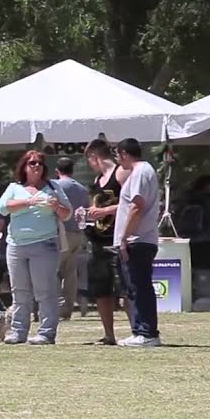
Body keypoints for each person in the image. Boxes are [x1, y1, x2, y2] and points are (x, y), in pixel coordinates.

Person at [0, 151, 72, 344]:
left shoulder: (52, 187)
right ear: (24, 167)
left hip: (44, 244)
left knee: (45, 291)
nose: (36, 166)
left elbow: (67, 214)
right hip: (16, 246)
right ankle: (18, 331)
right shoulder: (14, 187)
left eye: (39, 163)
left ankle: (46, 333)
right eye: (31, 163)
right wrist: (28, 202)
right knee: (20, 291)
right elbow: (3, 207)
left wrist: (56, 206)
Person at [113, 138, 162, 347]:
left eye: (117, 155)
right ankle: (140, 330)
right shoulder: (141, 171)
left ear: (124, 153)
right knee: (134, 287)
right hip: (137, 239)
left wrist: (124, 238)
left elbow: (137, 205)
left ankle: (147, 332)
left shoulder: (141, 171)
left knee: (140, 286)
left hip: (138, 240)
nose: (117, 159)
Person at [82, 139, 130, 345]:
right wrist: (87, 215)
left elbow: (133, 204)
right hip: (98, 240)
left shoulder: (121, 173)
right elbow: (95, 209)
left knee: (126, 289)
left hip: (118, 239)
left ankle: (138, 330)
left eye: (89, 160)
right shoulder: (97, 180)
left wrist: (105, 211)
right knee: (101, 290)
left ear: (94, 157)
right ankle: (109, 334)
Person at [51, 157, 90, 319]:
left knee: (53, 270)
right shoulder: (82, 188)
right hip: (77, 233)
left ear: (57, 171)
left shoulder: (54, 185)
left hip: (61, 233)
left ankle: (56, 306)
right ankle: (68, 307)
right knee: (70, 272)